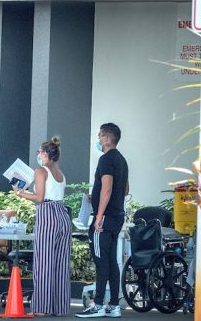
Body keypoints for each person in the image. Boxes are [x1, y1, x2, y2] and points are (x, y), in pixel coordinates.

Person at [11, 136, 72, 316]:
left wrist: (20, 193)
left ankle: (42, 308)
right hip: (63, 214)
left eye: (39, 152)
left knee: (44, 262)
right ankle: (60, 307)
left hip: (47, 214)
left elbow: (39, 198)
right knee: (61, 264)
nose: (38, 155)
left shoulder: (40, 170)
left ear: (45, 154)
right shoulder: (60, 173)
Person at [76, 123, 129, 318]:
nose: (98, 140)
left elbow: (107, 188)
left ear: (107, 138)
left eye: (100, 136)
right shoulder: (122, 160)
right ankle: (113, 305)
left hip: (105, 218)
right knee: (112, 262)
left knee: (101, 262)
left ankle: (98, 304)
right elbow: (125, 189)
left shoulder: (106, 159)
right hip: (117, 216)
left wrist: (98, 216)